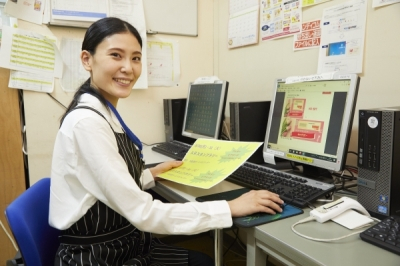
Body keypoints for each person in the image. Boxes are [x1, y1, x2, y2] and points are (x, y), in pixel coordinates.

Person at [49, 17, 284, 266]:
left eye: (136, 58)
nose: (128, 67)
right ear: (87, 59)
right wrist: (229, 207)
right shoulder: (87, 124)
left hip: (121, 243)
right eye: (116, 55)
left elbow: (106, 185)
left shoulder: (101, 111)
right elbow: (144, 213)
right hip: (99, 257)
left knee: (200, 260)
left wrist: (151, 175)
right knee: (202, 262)